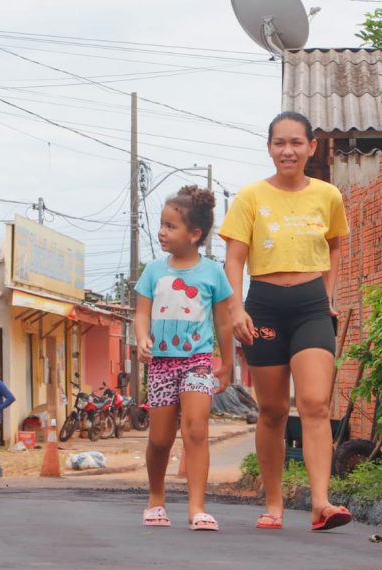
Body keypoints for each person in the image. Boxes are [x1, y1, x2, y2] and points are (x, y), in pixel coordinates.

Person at [218, 110, 352, 532]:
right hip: (265, 304)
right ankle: (273, 504)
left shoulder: (328, 195)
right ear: (269, 148)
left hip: (312, 305)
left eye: (297, 142)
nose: (288, 150)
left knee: (314, 404)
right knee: (273, 410)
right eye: (280, 143)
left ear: (312, 147)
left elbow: (335, 247)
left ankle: (321, 503)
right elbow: (234, 258)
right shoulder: (250, 197)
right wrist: (236, 309)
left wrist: (328, 294)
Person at [135, 185, 234, 531]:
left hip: (198, 362)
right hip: (161, 363)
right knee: (160, 439)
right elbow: (142, 314)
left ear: (194, 234)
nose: (162, 232)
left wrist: (228, 364)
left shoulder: (213, 273)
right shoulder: (153, 272)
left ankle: (197, 508)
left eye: (170, 226)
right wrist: (142, 338)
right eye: (161, 224)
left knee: (196, 431)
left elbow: (223, 321)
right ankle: (156, 499)